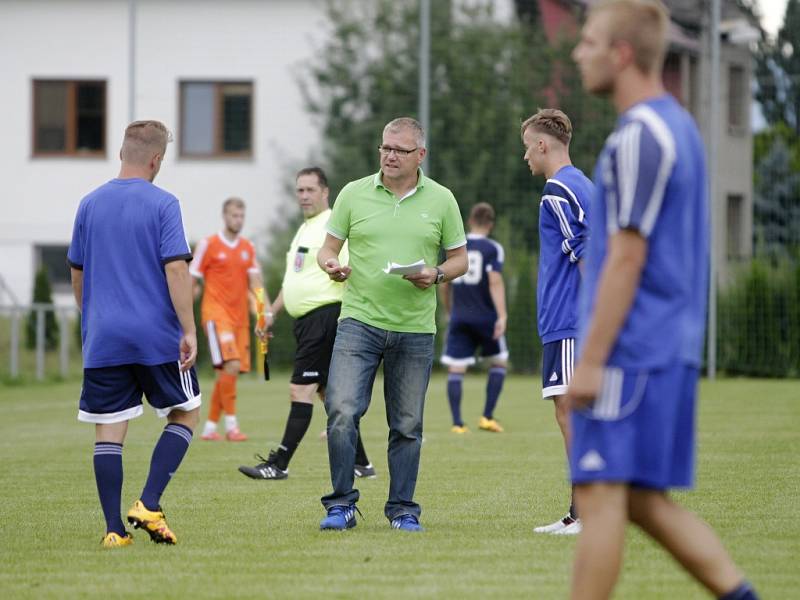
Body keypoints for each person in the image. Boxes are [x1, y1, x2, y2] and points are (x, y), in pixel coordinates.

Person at [568, 2, 759, 599]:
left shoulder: (640, 137)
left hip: (632, 352)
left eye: (590, 41)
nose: (579, 52)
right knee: (644, 502)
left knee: (599, 498)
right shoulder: (676, 127)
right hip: (661, 348)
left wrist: (592, 361)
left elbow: (627, 257)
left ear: (621, 54)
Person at [316, 117, 468, 532]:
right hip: (359, 321)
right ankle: (341, 505)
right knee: (342, 411)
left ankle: (403, 509)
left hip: (415, 329)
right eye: (385, 147)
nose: (389, 155)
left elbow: (461, 260)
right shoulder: (353, 193)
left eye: (399, 149)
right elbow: (328, 248)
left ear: (420, 155)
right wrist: (330, 265)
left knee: (406, 426)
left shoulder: (442, 200)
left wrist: (436, 273)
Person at [68, 120, 200, 548]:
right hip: (155, 336)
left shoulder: (89, 204)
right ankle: (148, 502)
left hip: (104, 337)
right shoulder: (163, 203)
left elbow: (77, 272)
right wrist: (189, 328)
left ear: (121, 152)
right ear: (157, 159)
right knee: (185, 412)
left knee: (109, 429)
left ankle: (113, 531)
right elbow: (176, 268)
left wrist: (94, 319)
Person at [238, 167, 375, 480]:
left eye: (310, 190)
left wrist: (340, 269)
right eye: (299, 190)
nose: (303, 196)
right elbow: (294, 281)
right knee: (330, 396)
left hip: (325, 317)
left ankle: (279, 464)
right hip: (307, 322)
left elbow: (352, 263)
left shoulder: (331, 223)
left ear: (325, 192)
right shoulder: (305, 229)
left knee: (300, 390)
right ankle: (362, 463)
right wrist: (270, 313)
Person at [521, 108, 593, 536]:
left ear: (543, 145)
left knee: (571, 413)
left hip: (569, 320)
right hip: (573, 320)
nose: (526, 156)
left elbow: (585, 252)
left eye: (527, 148)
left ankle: (588, 514)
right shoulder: (583, 184)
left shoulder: (557, 190)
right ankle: (579, 510)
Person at [191, 198, 271, 442]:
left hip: (239, 321)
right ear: (224, 216)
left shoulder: (247, 248)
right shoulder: (209, 244)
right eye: (234, 215)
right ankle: (232, 427)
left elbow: (256, 283)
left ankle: (209, 428)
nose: (238, 220)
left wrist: (264, 311)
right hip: (216, 316)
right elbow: (191, 279)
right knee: (232, 365)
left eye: (241, 216)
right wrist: (180, 313)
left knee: (229, 373)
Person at [439, 202, 508, 434]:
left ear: (469, 221)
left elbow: (444, 284)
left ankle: (457, 423)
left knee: (456, 368)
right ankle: (487, 417)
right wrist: (502, 315)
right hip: (486, 317)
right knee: (499, 362)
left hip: (460, 316)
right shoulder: (493, 248)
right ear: (491, 224)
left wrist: (450, 310)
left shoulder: (458, 247)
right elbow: (495, 281)